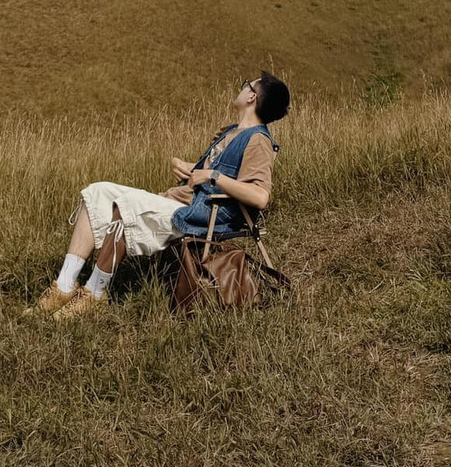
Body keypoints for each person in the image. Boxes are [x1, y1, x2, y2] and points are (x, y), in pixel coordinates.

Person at [29, 71, 291, 319]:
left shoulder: (258, 141)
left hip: (200, 214)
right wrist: (191, 169)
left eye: (247, 83)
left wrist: (212, 177)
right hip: (181, 199)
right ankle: (63, 287)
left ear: (251, 97)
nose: (243, 86)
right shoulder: (232, 132)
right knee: (98, 192)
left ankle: (95, 294)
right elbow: (213, 173)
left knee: (125, 205)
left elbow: (259, 196)